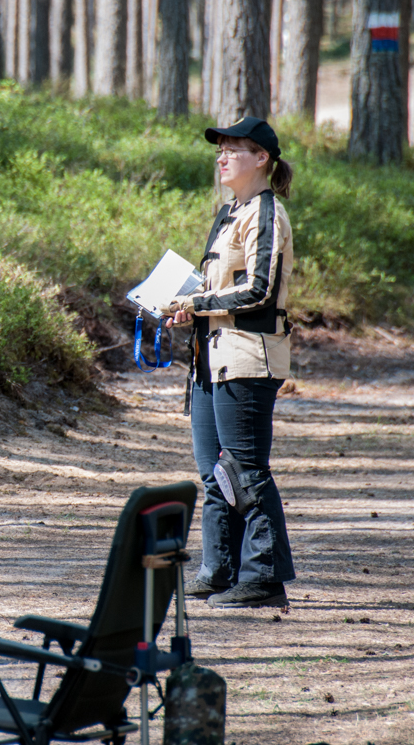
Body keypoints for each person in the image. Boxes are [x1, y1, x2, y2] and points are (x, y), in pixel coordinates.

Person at [160, 117, 296, 609]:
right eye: (219, 150)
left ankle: (264, 577)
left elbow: (260, 289)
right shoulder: (228, 211)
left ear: (261, 158)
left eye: (232, 149)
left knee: (245, 470)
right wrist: (183, 306)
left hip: (248, 359)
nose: (221, 157)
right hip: (210, 360)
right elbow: (216, 290)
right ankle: (219, 569)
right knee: (214, 471)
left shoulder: (266, 212)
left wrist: (198, 304)